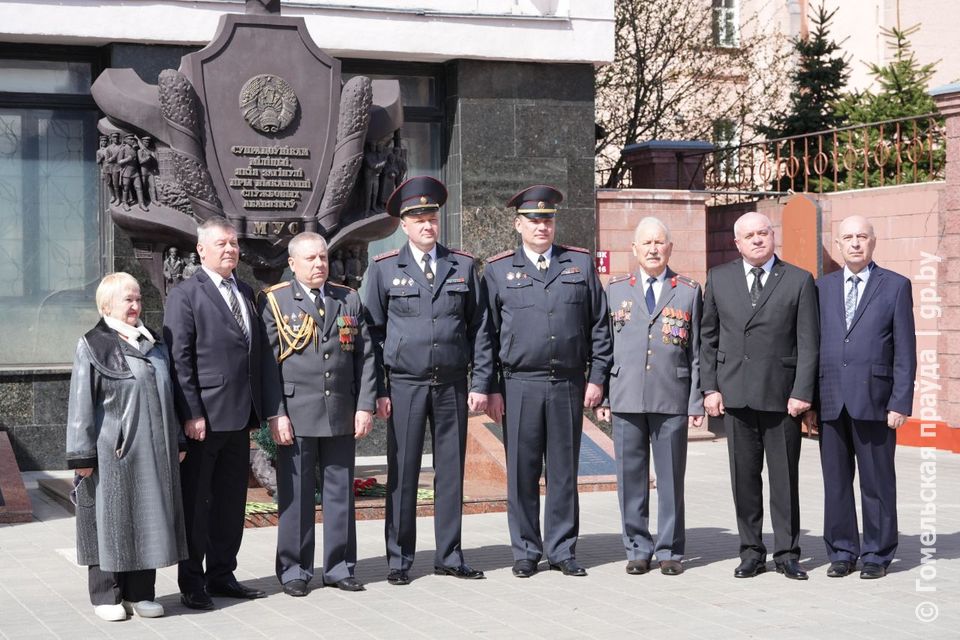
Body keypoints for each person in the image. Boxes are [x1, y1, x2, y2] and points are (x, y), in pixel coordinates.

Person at [364, 176, 492, 586]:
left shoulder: (463, 266)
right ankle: (399, 560)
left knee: (451, 471)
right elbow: (371, 334)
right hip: (405, 385)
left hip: (452, 383)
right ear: (404, 224)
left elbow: (481, 327)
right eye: (418, 218)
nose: (426, 225)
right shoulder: (384, 269)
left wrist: (480, 382)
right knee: (402, 473)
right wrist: (379, 391)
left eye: (431, 217)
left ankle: (450, 555)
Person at [483, 185, 611, 578]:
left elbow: (600, 326)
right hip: (520, 384)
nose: (542, 226)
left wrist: (598, 376)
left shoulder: (579, 264)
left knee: (563, 470)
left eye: (548, 219)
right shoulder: (498, 269)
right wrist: (489, 387)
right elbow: (485, 334)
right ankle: (525, 550)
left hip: (568, 384)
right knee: (522, 470)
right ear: (518, 224)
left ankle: (562, 549)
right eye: (534, 220)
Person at [163, 216, 281, 610]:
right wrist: (191, 412)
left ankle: (222, 574)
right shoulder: (185, 294)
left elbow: (256, 353)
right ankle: (192, 582)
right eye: (222, 244)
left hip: (240, 416)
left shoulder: (245, 290)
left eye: (233, 243)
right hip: (204, 420)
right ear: (201, 250)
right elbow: (179, 359)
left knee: (232, 501)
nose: (231, 249)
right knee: (197, 503)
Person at [699, 212, 818, 580]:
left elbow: (809, 342)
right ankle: (751, 551)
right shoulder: (719, 278)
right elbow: (708, 337)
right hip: (735, 395)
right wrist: (710, 387)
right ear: (737, 243)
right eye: (748, 235)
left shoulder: (799, 280)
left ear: (773, 236)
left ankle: (787, 553)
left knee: (784, 481)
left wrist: (802, 392)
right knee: (745, 479)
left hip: (782, 399)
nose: (756, 240)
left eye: (762, 233)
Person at [260, 232, 376, 597]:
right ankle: (294, 569)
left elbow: (366, 356)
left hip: (340, 410)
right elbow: (266, 366)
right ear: (292, 264)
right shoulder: (276, 302)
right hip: (296, 414)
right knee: (296, 494)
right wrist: (276, 414)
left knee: (340, 492)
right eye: (310, 259)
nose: (319, 265)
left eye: (323, 258)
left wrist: (364, 405)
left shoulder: (348, 299)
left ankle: (340, 566)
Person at [66, 272, 188, 622]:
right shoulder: (93, 344)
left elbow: (171, 396)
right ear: (107, 305)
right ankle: (107, 593)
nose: (135, 306)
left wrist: (177, 438)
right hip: (113, 453)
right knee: (109, 522)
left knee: (147, 517)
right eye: (127, 300)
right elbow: (80, 404)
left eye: (138, 299)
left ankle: (140, 593)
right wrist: (81, 454)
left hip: (155, 452)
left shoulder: (153, 342)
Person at [806, 215, 916, 579]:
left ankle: (877, 554)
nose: (855, 243)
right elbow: (812, 346)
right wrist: (810, 402)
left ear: (873, 242)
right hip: (832, 400)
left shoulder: (896, 286)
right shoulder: (821, 288)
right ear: (838, 244)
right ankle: (841, 552)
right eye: (848, 237)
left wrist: (900, 401)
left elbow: (904, 349)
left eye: (862, 237)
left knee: (877, 482)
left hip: (876, 401)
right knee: (836, 484)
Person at [595, 217, 703, 577]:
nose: (654, 249)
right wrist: (606, 398)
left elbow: (697, 350)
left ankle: (670, 549)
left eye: (660, 243)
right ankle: (638, 548)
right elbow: (605, 347)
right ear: (635, 249)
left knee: (671, 478)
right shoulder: (614, 290)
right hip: (625, 397)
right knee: (630, 477)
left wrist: (696, 401)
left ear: (670, 248)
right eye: (647, 243)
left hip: (672, 396)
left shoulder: (687, 290)